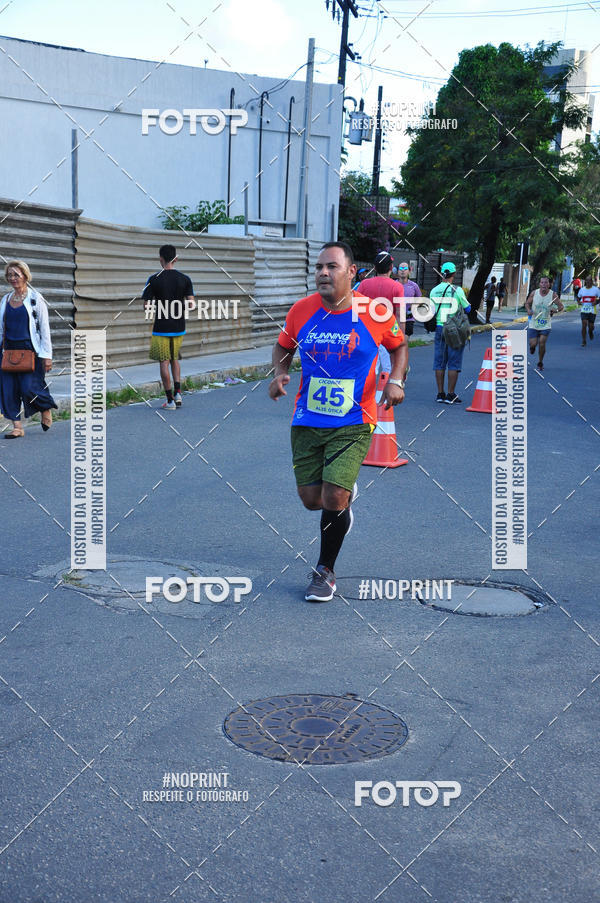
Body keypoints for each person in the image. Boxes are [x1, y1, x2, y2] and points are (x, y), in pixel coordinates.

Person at [269, 241, 408, 603]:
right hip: (307, 419)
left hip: (355, 419)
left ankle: (324, 572)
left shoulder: (375, 312)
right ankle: (342, 497)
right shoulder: (301, 311)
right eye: (318, 268)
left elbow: (399, 345)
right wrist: (279, 373)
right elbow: (283, 346)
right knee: (310, 499)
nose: (323, 273)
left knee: (333, 495)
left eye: (331, 267)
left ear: (352, 273)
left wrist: (396, 380)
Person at [0, 260, 56, 438]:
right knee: (8, 390)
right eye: (10, 275)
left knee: (29, 388)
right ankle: (17, 427)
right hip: (8, 351)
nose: (13, 278)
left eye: (16, 274)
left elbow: (44, 328)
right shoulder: (5, 299)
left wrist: (47, 355)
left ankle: (45, 407)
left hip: (30, 350)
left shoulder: (35, 298)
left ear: (25, 275)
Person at [142, 244, 194, 410]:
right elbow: (192, 304)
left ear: (161, 259)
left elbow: (146, 306)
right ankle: (178, 393)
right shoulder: (185, 279)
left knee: (164, 362)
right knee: (174, 359)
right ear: (176, 259)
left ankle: (170, 401)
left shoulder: (153, 279)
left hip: (161, 327)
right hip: (178, 326)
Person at [429, 262, 471, 404]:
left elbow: (431, 310)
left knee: (440, 362)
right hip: (454, 329)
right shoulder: (457, 290)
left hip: (440, 328)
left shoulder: (434, 291)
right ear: (454, 274)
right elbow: (468, 309)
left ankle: (440, 394)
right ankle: (451, 394)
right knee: (453, 362)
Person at [358, 251, 404, 375]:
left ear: (375, 268)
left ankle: (368, 393)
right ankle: (381, 394)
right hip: (388, 333)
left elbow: (356, 310)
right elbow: (400, 314)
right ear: (391, 268)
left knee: (369, 367)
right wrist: (401, 336)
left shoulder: (364, 284)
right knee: (388, 368)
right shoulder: (397, 287)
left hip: (367, 332)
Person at [525, 275, 563, 371]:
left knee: (542, 343)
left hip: (545, 323)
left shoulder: (553, 295)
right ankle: (532, 347)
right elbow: (527, 303)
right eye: (542, 282)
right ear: (539, 284)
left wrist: (556, 310)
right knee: (533, 344)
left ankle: (540, 362)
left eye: (546, 282)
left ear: (549, 284)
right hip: (534, 322)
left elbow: (561, 306)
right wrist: (529, 310)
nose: (544, 284)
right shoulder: (534, 293)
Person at [396, 262, 421, 338]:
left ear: (409, 271)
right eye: (400, 269)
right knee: (396, 341)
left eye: (405, 269)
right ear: (397, 271)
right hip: (395, 319)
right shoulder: (393, 284)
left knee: (405, 340)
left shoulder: (414, 286)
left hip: (408, 319)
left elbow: (419, 299)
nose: (403, 271)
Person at [576, 274, 600, 347]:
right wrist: (579, 302)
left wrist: (596, 302)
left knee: (591, 326)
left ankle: (590, 332)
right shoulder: (582, 289)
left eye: (590, 281)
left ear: (592, 282)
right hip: (584, 310)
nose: (588, 282)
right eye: (587, 281)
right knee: (584, 324)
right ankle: (584, 340)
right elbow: (578, 297)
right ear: (585, 281)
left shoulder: (596, 289)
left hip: (593, 310)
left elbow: (599, 298)